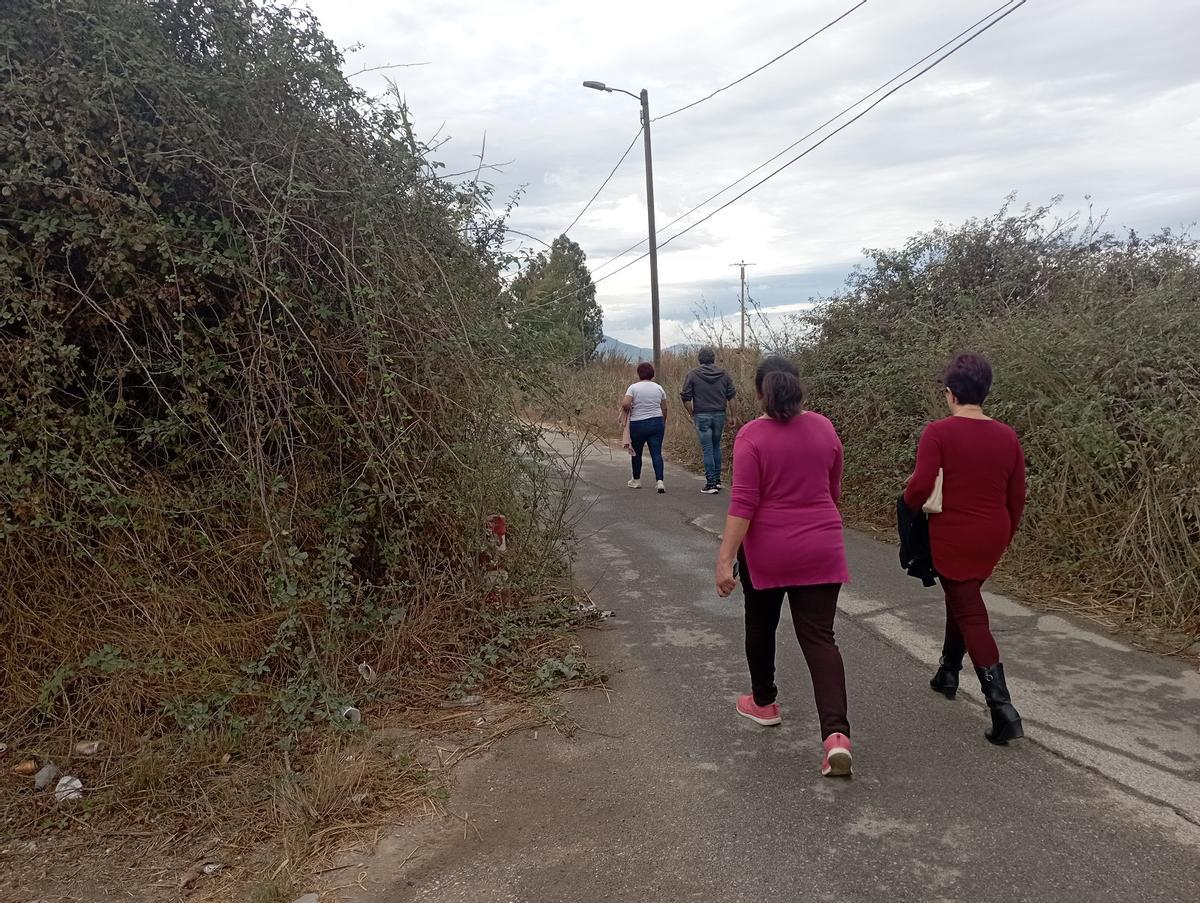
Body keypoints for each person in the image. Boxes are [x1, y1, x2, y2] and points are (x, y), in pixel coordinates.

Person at [715, 356, 853, 777]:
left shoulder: (751, 436)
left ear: (760, 391)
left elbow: (744, 503)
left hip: (768, 551)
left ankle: (764, 701)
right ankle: (836, 737)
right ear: (798, 386)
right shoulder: (825, 428)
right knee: (820, 639)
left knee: (761, 625)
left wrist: (724, 560)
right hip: (821, 546)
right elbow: (833, 489)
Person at [903, 352, 1027, 745]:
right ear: (985, 391)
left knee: (970, 611)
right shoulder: (1007, 436)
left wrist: (906, 502)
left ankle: (1002, 708)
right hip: (993, 532)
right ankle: (948, 672)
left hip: (954, 534)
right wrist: (1003, 536)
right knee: (963, 598)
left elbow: (921, 486)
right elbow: (1016, 497)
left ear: (950, 393)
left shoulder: (938, 432)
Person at [680, 347, 737, 494]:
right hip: (719, 414)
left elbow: (686, 397)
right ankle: (717, 481)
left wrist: (692, 413)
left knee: (707, 449)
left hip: (702, 415)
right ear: (713, 359)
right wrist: (733, 415)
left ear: (700, 359)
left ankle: (710, 484)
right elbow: (731, 396)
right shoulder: (724, 374)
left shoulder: (692, 374)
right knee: (717, 446)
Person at [621, 362, 668, 493]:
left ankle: (636, 480)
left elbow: (625, 403)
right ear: (652, 374)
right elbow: (664, 407)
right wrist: (662, 422)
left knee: (636, 453)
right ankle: (660, 481)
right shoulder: (659, 388)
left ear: (639, 374)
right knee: (656, 453)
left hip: (638, 424)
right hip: (657, 423)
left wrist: (630, 408)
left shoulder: (633, 388)